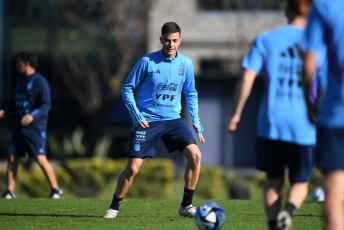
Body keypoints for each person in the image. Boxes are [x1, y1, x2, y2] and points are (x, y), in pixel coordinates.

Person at [227, 1, 323, 229]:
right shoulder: (319, 43)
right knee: (301, 180)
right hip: (304, 124)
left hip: (271, 124)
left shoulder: (266, 39)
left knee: (273, 180)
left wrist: (236, 113)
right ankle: (288, 212)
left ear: (286, 10)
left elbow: (247, 78)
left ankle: (274, 224)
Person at [103, 22, 205, 219]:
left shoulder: (186, 64)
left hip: (173, 120)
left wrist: (196, 120)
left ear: (180, 41)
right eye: (167, 40)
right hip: (147, 121)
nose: (171, 44)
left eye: (175, 41)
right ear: (161, 40)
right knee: (132, 169)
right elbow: (126, 88)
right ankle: (114, 207)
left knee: (196, 156)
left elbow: (191, 93)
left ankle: (186, 205)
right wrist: (136, 115)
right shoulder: (147, 62)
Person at [303, 0, 344, 229]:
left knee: (334, 189)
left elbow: (309, 62)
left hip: (336, 113)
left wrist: (309, 105)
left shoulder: (324, 5)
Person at [0, 51, 63, 199]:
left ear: (27, 63)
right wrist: (5, 112)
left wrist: (32, 116)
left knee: (40, 158)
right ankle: (10, 191)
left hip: (35, 127)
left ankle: (56, 190)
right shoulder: (20, 81)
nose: (17, 65)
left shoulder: (40, 81)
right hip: (19, 126)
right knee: (12, 157)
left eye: (18, 63)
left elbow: (46, 105)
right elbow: (17, 104)